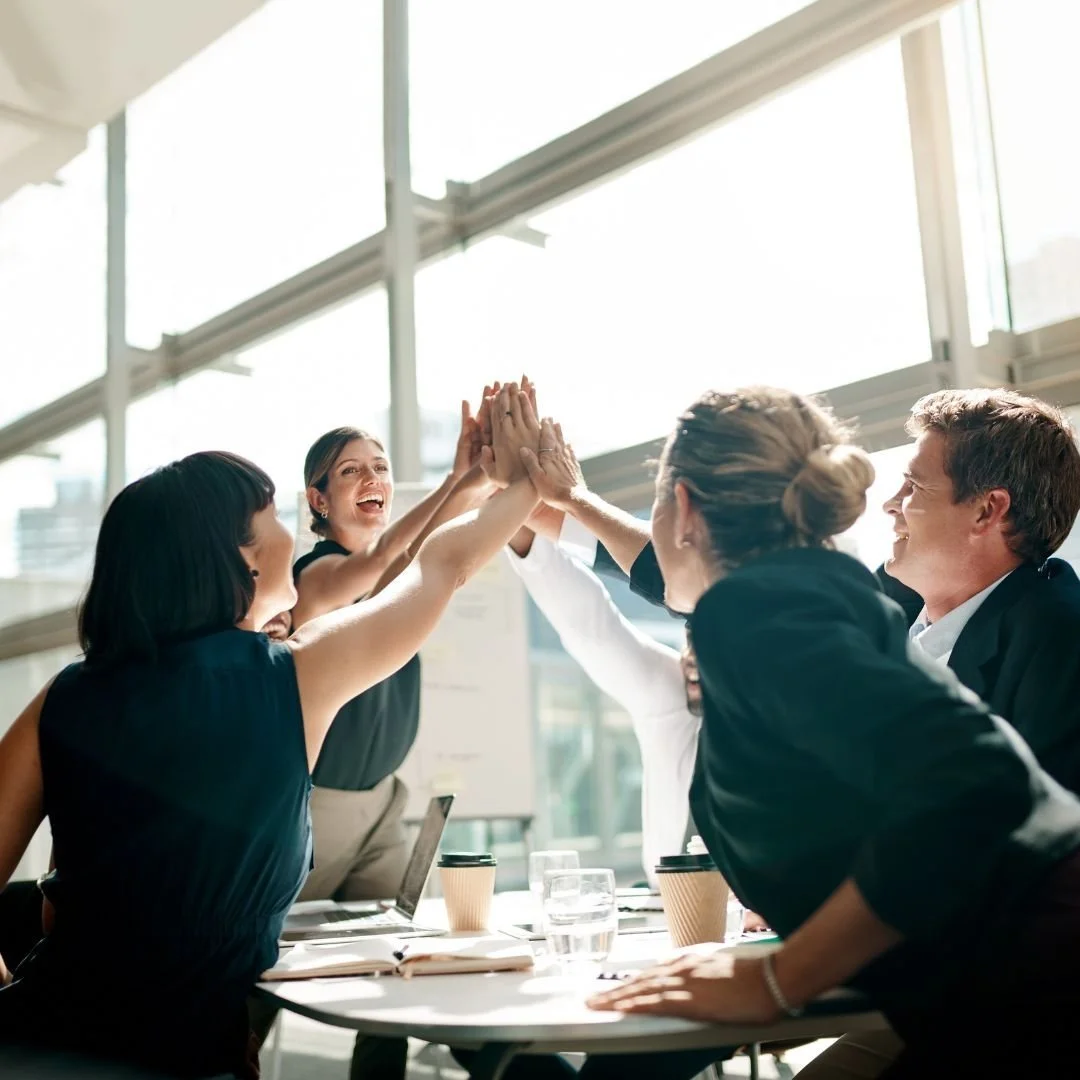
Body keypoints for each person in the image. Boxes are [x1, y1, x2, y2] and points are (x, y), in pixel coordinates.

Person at [512, 389, 1080, 1079]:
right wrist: (562, 507)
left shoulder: (764, 611)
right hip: (977, 987)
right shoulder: (822, 594)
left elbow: (977, 787)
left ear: (685, 508)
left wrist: (776, 978)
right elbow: (682, 576)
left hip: (1021, 1003)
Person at [0, 386, 541, 1077]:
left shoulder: (65, 696)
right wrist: (530, 479)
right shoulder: (291, 675)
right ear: (242, 559)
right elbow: (443, 567)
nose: (286, 521)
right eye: (268, 511)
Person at [505, 523, 697, 884]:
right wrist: (520, 526)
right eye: (690, 641)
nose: (693, 659)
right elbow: (589, 626)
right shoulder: (674, 693)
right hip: (669, 910)